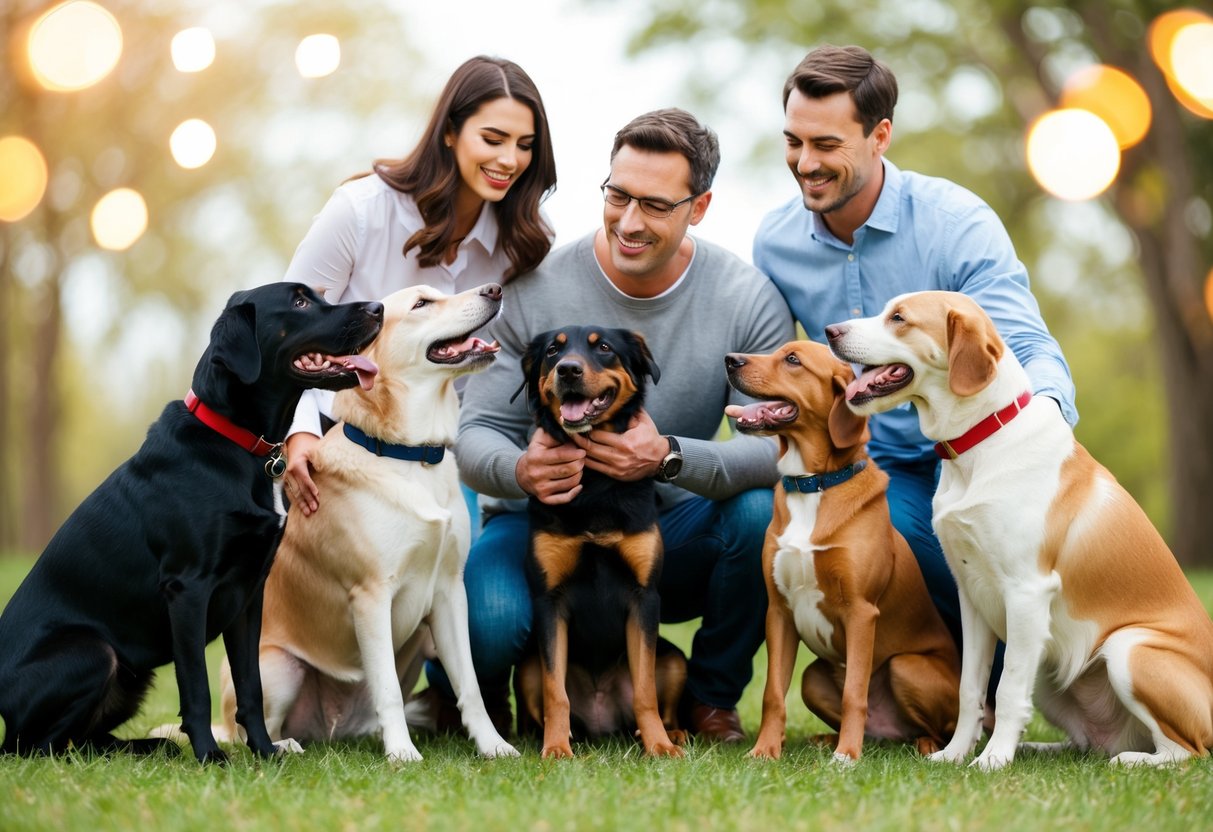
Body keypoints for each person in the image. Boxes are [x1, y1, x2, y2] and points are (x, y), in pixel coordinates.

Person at [412, 108, 795, 743]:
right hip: (539, 519)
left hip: (666, 521)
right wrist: (520, 469)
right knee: (493, 617)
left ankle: (708, 700)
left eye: (655, 205)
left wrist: (670, 455)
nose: (629, 221)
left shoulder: (745, 298)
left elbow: (782, 448)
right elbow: (474, 431)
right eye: (617, 196)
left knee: (758, 514)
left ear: (698, 208)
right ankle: (466, 697)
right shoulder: (534, 288)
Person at [752, 44, 1078, 668]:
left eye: (826, 144)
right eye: (794, 141)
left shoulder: (955, 223)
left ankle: (989, 688)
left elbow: (1024, 343)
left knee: (978, 536)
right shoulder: (775, 242)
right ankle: (948, 691)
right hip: (878, 463)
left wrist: (1048, 429)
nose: (805, 163)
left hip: (981, 452)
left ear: (880, 136)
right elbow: (790, 371)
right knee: (890, 534)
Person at [280, 55, 557, 536]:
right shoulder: (361, 212)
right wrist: (298, 433)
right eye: (492, 139)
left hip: (442, 460)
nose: (509, 160)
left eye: (525, 145)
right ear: (449, 132)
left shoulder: (526, 243)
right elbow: (286, 333)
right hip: (336, 444)